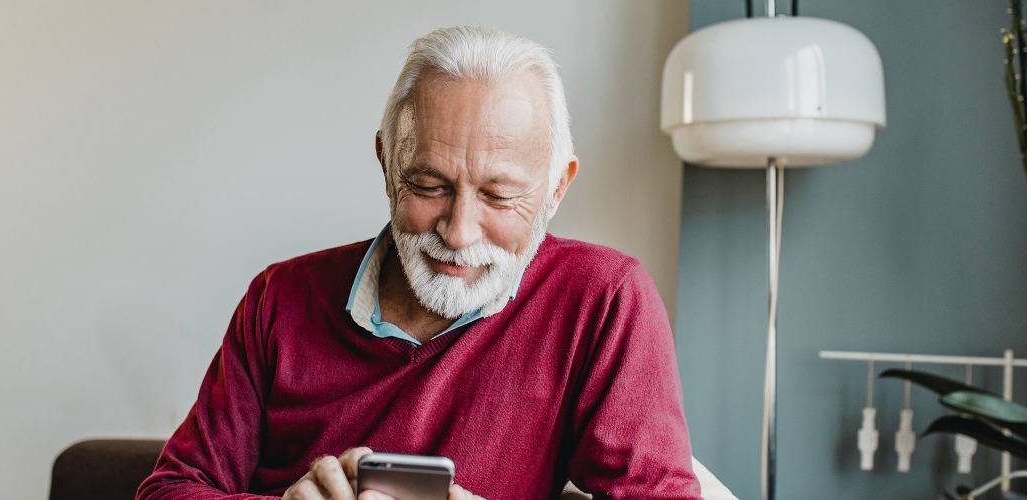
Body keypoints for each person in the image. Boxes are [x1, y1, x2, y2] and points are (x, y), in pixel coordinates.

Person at [139, 26, 701, 500]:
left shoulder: (602, 300)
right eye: (428, 185)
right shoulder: (279, 298)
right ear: (387, 162)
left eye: (499, 197)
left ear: (557, 189)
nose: (458, 233)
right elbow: (171, 488)